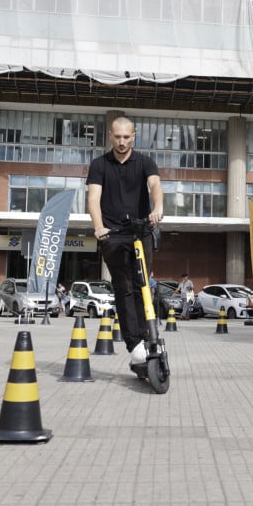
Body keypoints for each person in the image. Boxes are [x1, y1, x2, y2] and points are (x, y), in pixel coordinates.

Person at [87, 116, 164, 366]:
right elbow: (93, 198)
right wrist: (98, 226)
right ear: (111, 136)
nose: (122, 142)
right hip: (112, 233)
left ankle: (148, 335)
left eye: (126, 137)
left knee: (143, 285)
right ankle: (134, 342)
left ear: (134, 136)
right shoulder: (99, 165)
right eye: (118, 137)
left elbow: (155, 186)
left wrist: (158, 207)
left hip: (141, 230)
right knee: (124, 286)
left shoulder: (145, 162)